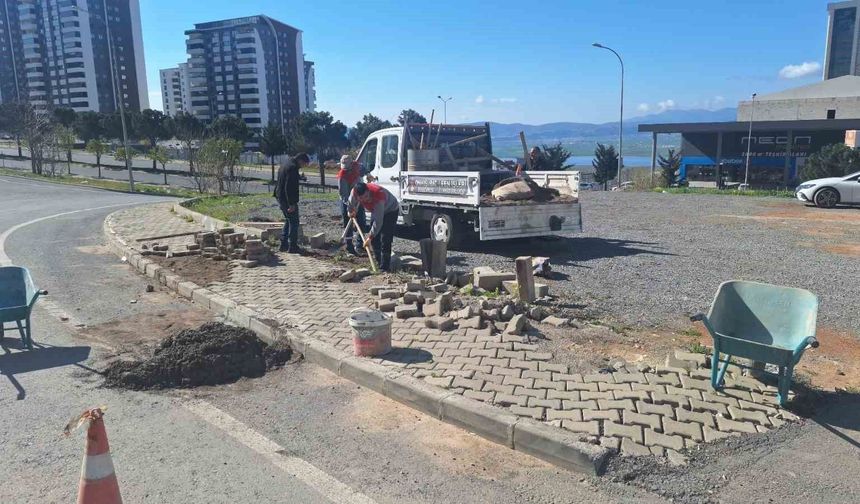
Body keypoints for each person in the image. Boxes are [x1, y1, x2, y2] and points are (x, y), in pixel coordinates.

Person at [348, 182, 399, 271]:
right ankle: (378, 262)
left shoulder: (378, 195)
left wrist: (369, 237)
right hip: (375, 210)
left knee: (385, 238)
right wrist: (350, 211)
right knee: (375, 240)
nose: (365, 200)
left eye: (367, 197)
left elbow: (378, 221)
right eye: (362, 198)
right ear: (358, 196)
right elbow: (350, 203)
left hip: (390, 209)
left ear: (368, 191)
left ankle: (385, 268)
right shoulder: (354, 192)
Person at [274, 152, 310, 253]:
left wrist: (299, 177)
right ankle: (292, 246)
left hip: (280, 196)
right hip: (287, 199)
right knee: (294, 222)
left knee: (288, 219)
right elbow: (289, 187)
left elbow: (286, 179)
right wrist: (291, 204)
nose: (303, 166)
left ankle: (284, 244)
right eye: (304, 164)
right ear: (301, 161)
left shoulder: (286, 163)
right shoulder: (293, 168)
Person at [336, 154, 366, 255]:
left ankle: (360, 244)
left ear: (351, 164)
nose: (345, 169)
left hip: (359, 200)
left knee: (361, 222)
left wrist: (368, 174)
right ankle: (349, 246)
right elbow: (344, 195)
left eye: (347, 166)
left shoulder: (357, 166)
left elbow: (364, 169)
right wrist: (350, 207)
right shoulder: (342, 176)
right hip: (347, 202)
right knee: (348, 225)